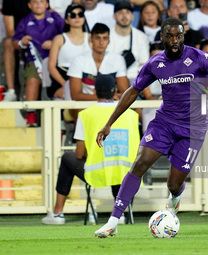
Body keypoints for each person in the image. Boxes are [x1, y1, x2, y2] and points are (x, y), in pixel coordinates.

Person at [94, 17, 208, 238]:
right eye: (170, 36)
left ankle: (175, 199)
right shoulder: (154, 63)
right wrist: (109, 123)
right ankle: (113, 222)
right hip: (164, 123)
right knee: (140, 163)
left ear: (183, 36)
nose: (175, 40)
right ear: (162, 37)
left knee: (173, 183)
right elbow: (132, 91)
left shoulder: (199, 57)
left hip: (193, 129)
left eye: (178, 35)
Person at [41, 74, 140, 225]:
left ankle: (57, 213)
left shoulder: (86, 114)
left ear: (95, 91)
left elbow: (80, 153)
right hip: (126, 172)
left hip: (96, 173)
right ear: (115, 91)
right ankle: (118, 213)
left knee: (68, 158)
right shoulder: (132, 114)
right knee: (117, 164)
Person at [12, 0, 64, 126]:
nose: (38, 4)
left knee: (57, 83)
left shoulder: (56, 18)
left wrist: (55, 43)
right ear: (29, 5)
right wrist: (21, 42)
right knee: (32, 80)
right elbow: (15, 41)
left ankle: (59, 117)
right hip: (33, 60)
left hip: (55, 60)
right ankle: (31, 114)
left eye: (41, 1)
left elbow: (66, 35)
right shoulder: (25, 21)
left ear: (47, 4)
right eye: (35, 2)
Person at [67, 23, 129, 101]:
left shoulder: (118, 60)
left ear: (109, 41)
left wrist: (115, 97)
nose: (101, 42)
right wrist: (105, 98)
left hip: (111, 103)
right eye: (97, 38)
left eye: (105, 38)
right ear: (90, 39)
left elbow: (125, 92)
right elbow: (75, 95)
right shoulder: (78, 60)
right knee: (75, 109)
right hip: (86, 103)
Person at [48, 3, 91, 100]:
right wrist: (65, 84)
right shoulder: (59, 39)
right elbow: (51, 66)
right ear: (66, 20)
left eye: (80, 15)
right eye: (72, 15)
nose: (77, 18)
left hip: (86, 79)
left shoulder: (91, 38)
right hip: (63, 78)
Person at [107, 2, 150, 85]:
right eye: (120, 13)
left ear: (132, 16)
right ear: (114, 16)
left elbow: (143, 65)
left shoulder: (141, 37)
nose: (124, 16)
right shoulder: (106, 35)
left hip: (134, 82)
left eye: (127, 12)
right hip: (111, 80)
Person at [1, 0, 31, 101]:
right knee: (8, 43)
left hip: (41, 38)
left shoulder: (41, 3)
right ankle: (11, 91)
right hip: (20, 38)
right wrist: (23, 40)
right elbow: (10, 31)